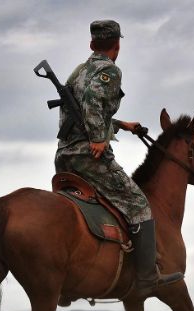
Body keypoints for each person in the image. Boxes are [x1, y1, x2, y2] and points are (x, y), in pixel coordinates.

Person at [54, 20, 183, 294]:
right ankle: (149, 278)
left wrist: (121, 125)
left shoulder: (77, 72)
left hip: (65, 156)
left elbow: (77, 116)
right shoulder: (110, 71)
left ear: (91, 45)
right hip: (89, 157)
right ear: (117, 46)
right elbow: (92, 102)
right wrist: (99, 139)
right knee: (139, 205)